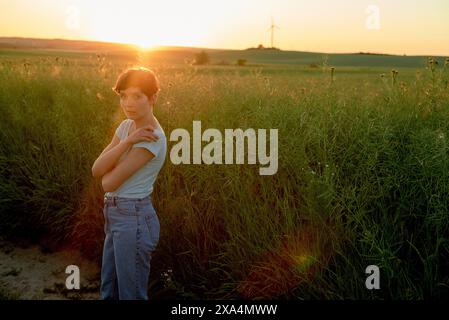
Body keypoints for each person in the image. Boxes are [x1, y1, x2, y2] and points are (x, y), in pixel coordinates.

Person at [91, 67, 167, 300]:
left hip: (133, 218)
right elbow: (96, 170)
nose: (128, 103)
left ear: (153, 97)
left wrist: (115, 157)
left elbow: (108, 182)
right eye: (123, 96)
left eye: (137, 96)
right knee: (109, 289)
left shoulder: (153, 138)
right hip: (115, 214)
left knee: (130, 295)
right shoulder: (127, 127)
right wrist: (127, 142)